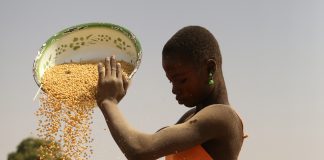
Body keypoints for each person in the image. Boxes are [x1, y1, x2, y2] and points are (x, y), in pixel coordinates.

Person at [96, 26, 247, 160]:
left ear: (210, 68)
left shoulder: (223, 117)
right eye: (171, 81)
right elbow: (144, 148)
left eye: (181, 80)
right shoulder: (189, 117)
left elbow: (140, 150)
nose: (174, 89)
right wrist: (111, 100)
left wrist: (109, 101)